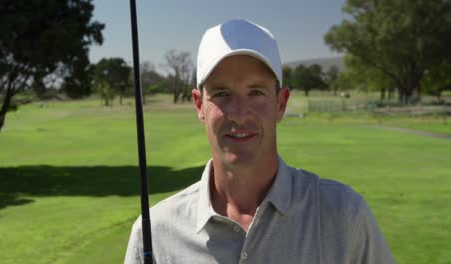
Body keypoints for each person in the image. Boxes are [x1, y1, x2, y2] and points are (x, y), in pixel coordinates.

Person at [125, 19, 394, 264]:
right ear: (199, 105)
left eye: (256, 92)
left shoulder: (344, 215)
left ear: (281, 103)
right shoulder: (155, 233)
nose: (239, 114)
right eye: (221, 93)